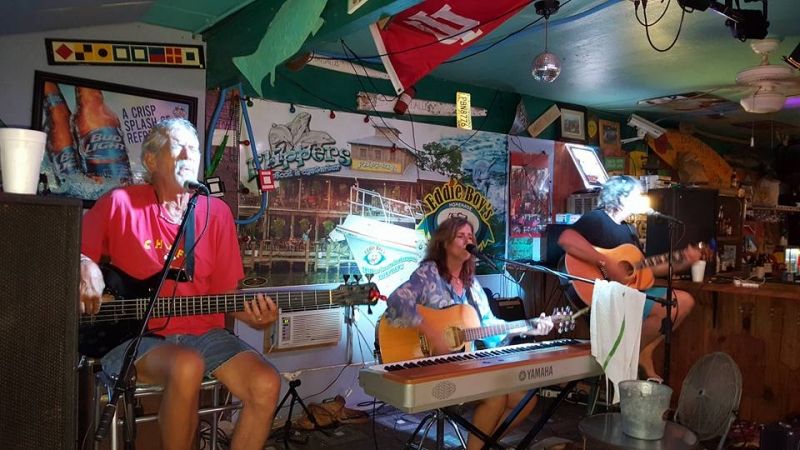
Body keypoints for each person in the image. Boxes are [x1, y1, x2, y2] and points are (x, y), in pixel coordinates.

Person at [79, 118, 280, 450]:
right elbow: (73, 250)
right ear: (151, 160)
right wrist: (85, 266)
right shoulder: (120, 203)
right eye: (178, 147)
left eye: (194, 148)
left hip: (204, 335)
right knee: (188, 364)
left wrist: (258, 317)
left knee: (266, 382)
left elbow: (226, 294)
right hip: (134, 336)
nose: (189, 155)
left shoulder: (216, 213)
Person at [385, 216, 553, 450]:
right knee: (495, 397)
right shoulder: (429, 273)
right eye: (460, 236)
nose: (468, 241)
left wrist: (528, 326)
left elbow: (490, 326)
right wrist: (432, 333)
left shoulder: (471, 285)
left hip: (465, 366)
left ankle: (479, 446)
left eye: (470, 237)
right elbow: (396, 300)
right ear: (444, 242)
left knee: (525, 400)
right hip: (431, 366)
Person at [558, 175, 700, 381]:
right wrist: (606, 263)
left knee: (682, 302)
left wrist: (683, 260)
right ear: (622, 196)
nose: (642, 199)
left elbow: (644, 268)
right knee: (677, 303)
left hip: (628, 296)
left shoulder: (629, 230)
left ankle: (639, 352)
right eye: (637, 195)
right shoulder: (597, 219)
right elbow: (567, 239)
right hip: (604, 295)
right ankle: (628, 355)